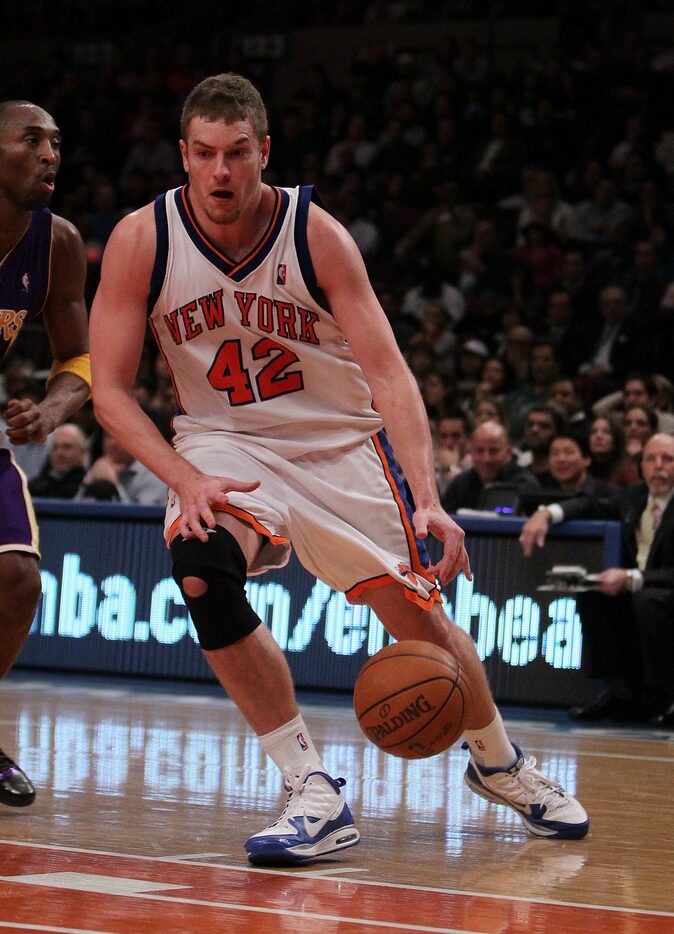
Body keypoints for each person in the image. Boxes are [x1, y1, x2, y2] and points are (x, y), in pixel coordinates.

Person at [90, 73, 589, 865]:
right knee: (199, 569)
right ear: (183, 155)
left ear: (265, 152)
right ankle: (310, 787)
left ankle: (499, 765)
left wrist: (428, 498)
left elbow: (390, 373)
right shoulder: (140, 240)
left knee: (421, 630)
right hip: (226, 445)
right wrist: (182, 479)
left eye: (239, 154)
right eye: (206, 155)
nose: (222, 173)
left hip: (340, 448)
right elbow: (111, 393)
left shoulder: (313, 232)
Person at [0, 100, 90, 805]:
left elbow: (80, 358)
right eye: (31, 140)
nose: (50, 154)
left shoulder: (56, 242)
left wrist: (51, 409)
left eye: (55, 143)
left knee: (18, 580)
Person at [520, 434, 674, 728]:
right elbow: (590, 505)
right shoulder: (635, 496)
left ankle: (662, 697)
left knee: (647, 600)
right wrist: (546, 513)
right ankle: (619, 694)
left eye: (667, 459)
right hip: (642, 593)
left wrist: (631, 577)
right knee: (593, 594)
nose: (659, 467)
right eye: (651, 459)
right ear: (641, 465)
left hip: (663, 594)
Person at [441, 420, 540, 513]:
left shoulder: (525, 485)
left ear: (509, 452)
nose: (486, 459)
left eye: (493, 451)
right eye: (479, 451)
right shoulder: (460, 484)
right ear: (471, 452)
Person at [28, 423, 88, 499]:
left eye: (66, 447)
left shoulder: (89, 486)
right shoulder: (34, 487)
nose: (59, 453)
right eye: (55, 447)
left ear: (83, 452)